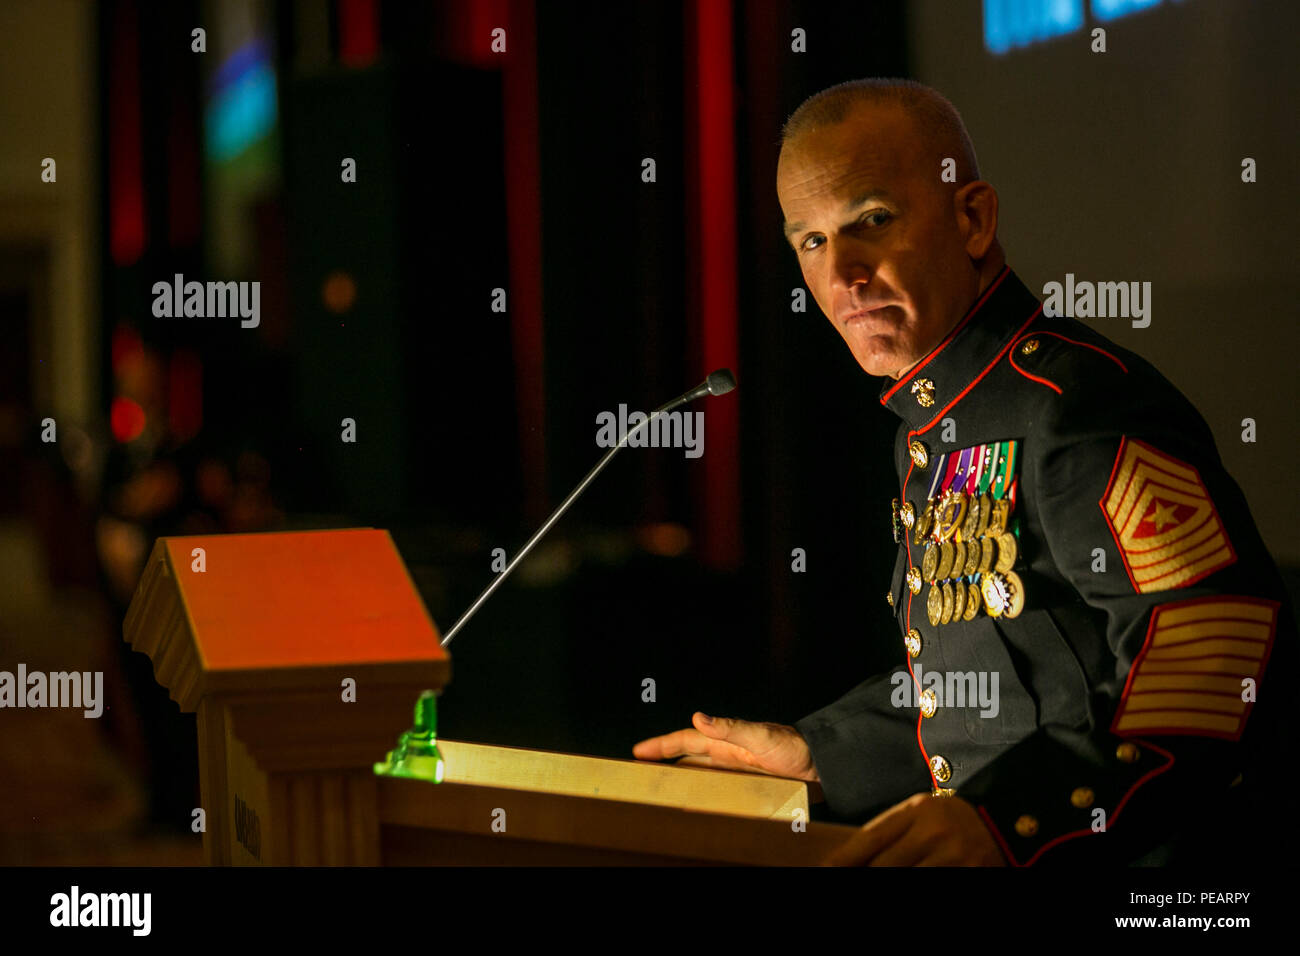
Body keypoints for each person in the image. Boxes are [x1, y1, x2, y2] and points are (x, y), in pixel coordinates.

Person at [633, 78, 1295, 866]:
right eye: (810, 241)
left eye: (871, 221)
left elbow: (1214, 658)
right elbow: (1002, 695)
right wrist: (821, 754)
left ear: (972, 218)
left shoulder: (1070, 407)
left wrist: (1014, 822)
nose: (842, 276)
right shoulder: (936, 421)